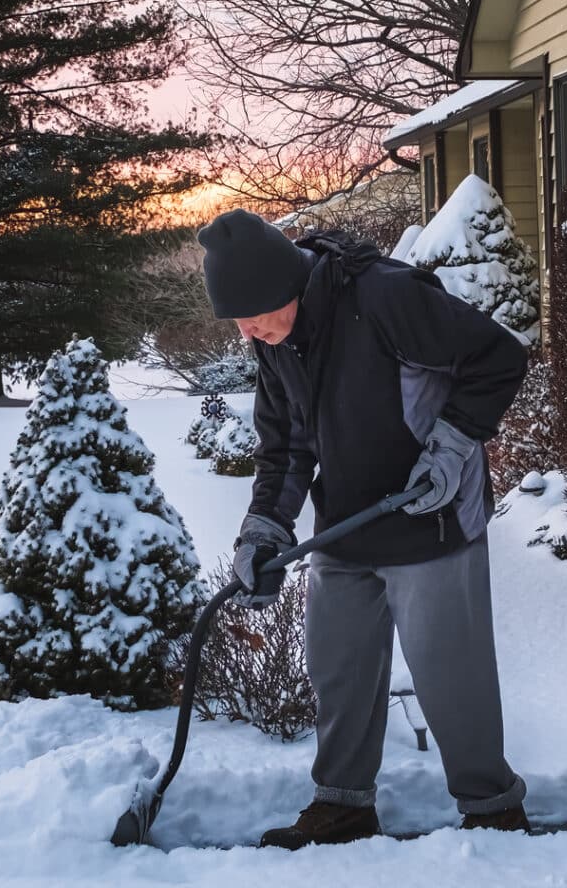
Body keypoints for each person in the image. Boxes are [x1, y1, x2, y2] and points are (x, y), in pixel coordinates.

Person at [196, 207, 531, 849]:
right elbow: (285, 446)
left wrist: (451, 447)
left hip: (428, 516)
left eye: (252, 314)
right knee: (338, 665)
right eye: (237, 321)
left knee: (448, 674)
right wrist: (264, 528)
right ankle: (344, 805)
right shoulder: (275, 342)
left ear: (282, 286)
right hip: (347, 522)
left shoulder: (385, 296)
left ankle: (492, 809)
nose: (246, 331)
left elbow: (498, 357)